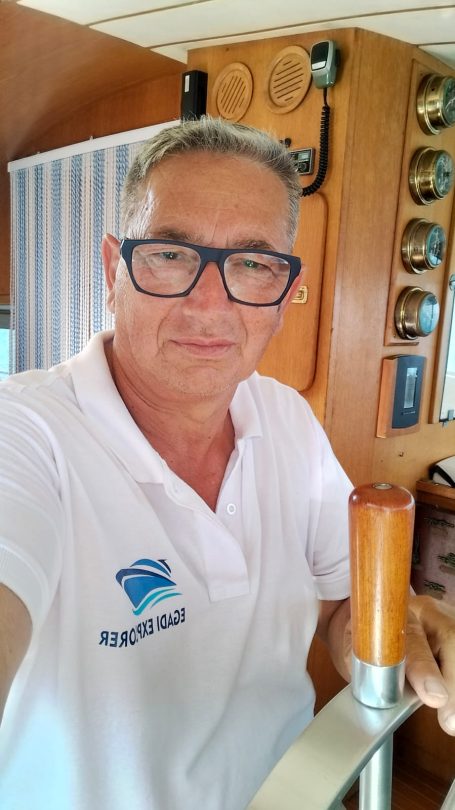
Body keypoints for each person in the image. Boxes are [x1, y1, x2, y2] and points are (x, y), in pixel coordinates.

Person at [0, 116, 453, 810]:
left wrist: (391, 631)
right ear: (113, 268)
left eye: (251, 263)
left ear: (282, 291)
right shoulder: (25, 434)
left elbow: (339, 605)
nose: (209, 305)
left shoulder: (286, 420)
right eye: (170, 255)